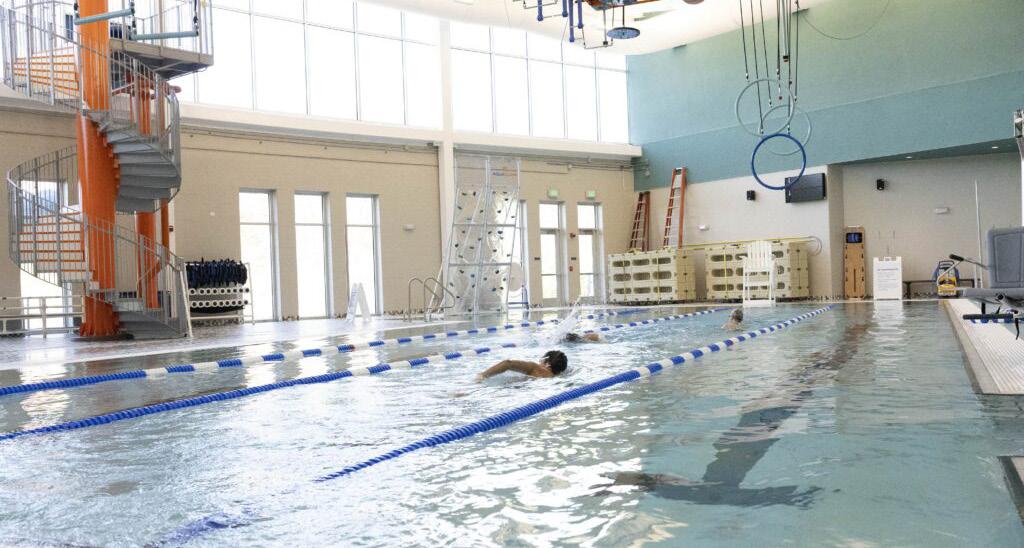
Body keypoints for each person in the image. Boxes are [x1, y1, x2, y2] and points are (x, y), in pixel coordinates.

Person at [476, 350, 568, 381]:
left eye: (542, 360)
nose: (540, 362)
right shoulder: (554, 377)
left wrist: (482, 375)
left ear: (547, 364)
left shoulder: (535, 368)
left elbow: (507, 363)